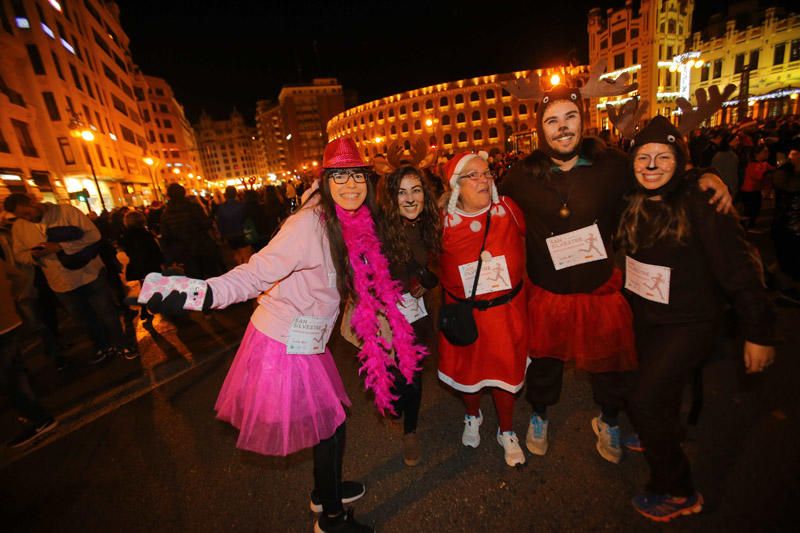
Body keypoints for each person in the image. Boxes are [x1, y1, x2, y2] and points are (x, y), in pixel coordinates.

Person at [143, 137, 426, 532]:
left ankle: (322, 491)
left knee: (333, 420)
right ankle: (330, 518)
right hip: (283, 340)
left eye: (356, 175)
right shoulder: (307, 226)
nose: (350, 184)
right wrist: (201, 293)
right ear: (325, 181)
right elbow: (254, 274)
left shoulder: (350, 219)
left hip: (309, 338)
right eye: (339, 175)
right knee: (329, 425)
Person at [499, 83, 732, 464]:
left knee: (608, 364)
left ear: (583, 120)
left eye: (570, 117)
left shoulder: (612, 165)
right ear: (540, 129)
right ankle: (539, 415)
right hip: (548, 292)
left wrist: (702, 174)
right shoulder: (521, 177)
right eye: (552, 120)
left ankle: (608, 419)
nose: (562, 127)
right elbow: (488, 204)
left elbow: (657, 174)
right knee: (544, 364)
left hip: (598, 290)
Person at [616, 116, 776, 522]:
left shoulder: (700, 201)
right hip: (648, 315)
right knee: (648, 388)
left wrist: (758, 333)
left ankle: (677, 490)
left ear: (680, 161)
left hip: (691, 321)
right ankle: (660, 434)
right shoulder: (632, 196)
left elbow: (738, 269)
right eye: (644, 157)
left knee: (644, 398)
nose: (652, 165)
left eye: (663, 157)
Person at [438, 151, 528, 467]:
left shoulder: (509, 209)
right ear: (456, 186)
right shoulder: (443, 224)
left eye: (486, 173)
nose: (483, 180)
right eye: (472, 176)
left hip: (505, 313)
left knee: (504, 374)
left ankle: (506, 430)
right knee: (470, 373)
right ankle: (472, 415)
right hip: (467, 315)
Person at [4, 194, 135, 363]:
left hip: (89, 273)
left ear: (33, 201)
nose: (26, 219)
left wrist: (60, 246)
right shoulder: (20, 228)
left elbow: (93, 236)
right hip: (59, 281)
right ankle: (102, 345)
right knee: (83, 318)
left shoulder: (66, 212)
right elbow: (19, 255)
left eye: (27, 213)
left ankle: (121, 344)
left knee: (106, 311)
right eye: (21, 216)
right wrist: (33, 255)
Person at [375, 164, 441, 466]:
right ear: (391, 198)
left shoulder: (430, 224)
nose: (410, 198)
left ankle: (410, 433)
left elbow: (440, 265)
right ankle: (398, 403)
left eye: (416, 190)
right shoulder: (379, 230)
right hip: (384, 314)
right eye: (402, 192)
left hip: (416, 314)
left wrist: (427, 281)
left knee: (412, 375)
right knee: (395, 380)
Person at [1, 242, 58, 448]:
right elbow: (18, 276)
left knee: (10, 378)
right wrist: (10, 299)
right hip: (9, 321)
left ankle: (37, 416)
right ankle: (33, 413)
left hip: (2, 326)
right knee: (15, 373)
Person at [159, 183, 221, 279]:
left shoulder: (166, 215)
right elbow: (204, 224)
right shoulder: (193, 207)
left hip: (183, 252)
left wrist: (170, 257)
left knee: (194, 278)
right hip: (201, 246)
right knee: (210, 276)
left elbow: (166, 237)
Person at [118, 211, 164, 323]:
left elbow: (126, 249)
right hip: (150, 263)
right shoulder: (145, 234)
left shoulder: (126, 236)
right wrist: (161, 259)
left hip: (137, 265)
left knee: (144, 285)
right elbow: (153, 249)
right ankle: (157, 306)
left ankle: (145, 309)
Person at [215, 186, 252, 265]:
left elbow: (220, 223)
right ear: (235, 194)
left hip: (229, 235)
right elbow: (247, 219)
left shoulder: (221, 208)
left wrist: (222, 235)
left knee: (236, 254)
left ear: (226, 195)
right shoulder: (241, 205)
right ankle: (247, 270)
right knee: (245, 254)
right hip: (242, 233)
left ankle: (240, 268)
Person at [740, 144, 774, 229]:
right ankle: (743, 228)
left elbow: (773, 170)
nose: (767, 153)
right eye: (764, 152)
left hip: (755, 190)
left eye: (767, 151)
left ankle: (748, 226)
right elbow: (758, 176)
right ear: (757, 153)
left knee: (755, 209)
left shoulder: (762, 164)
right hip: (749, 191)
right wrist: (766, 170)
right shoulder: (753, 164)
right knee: (750, 211)